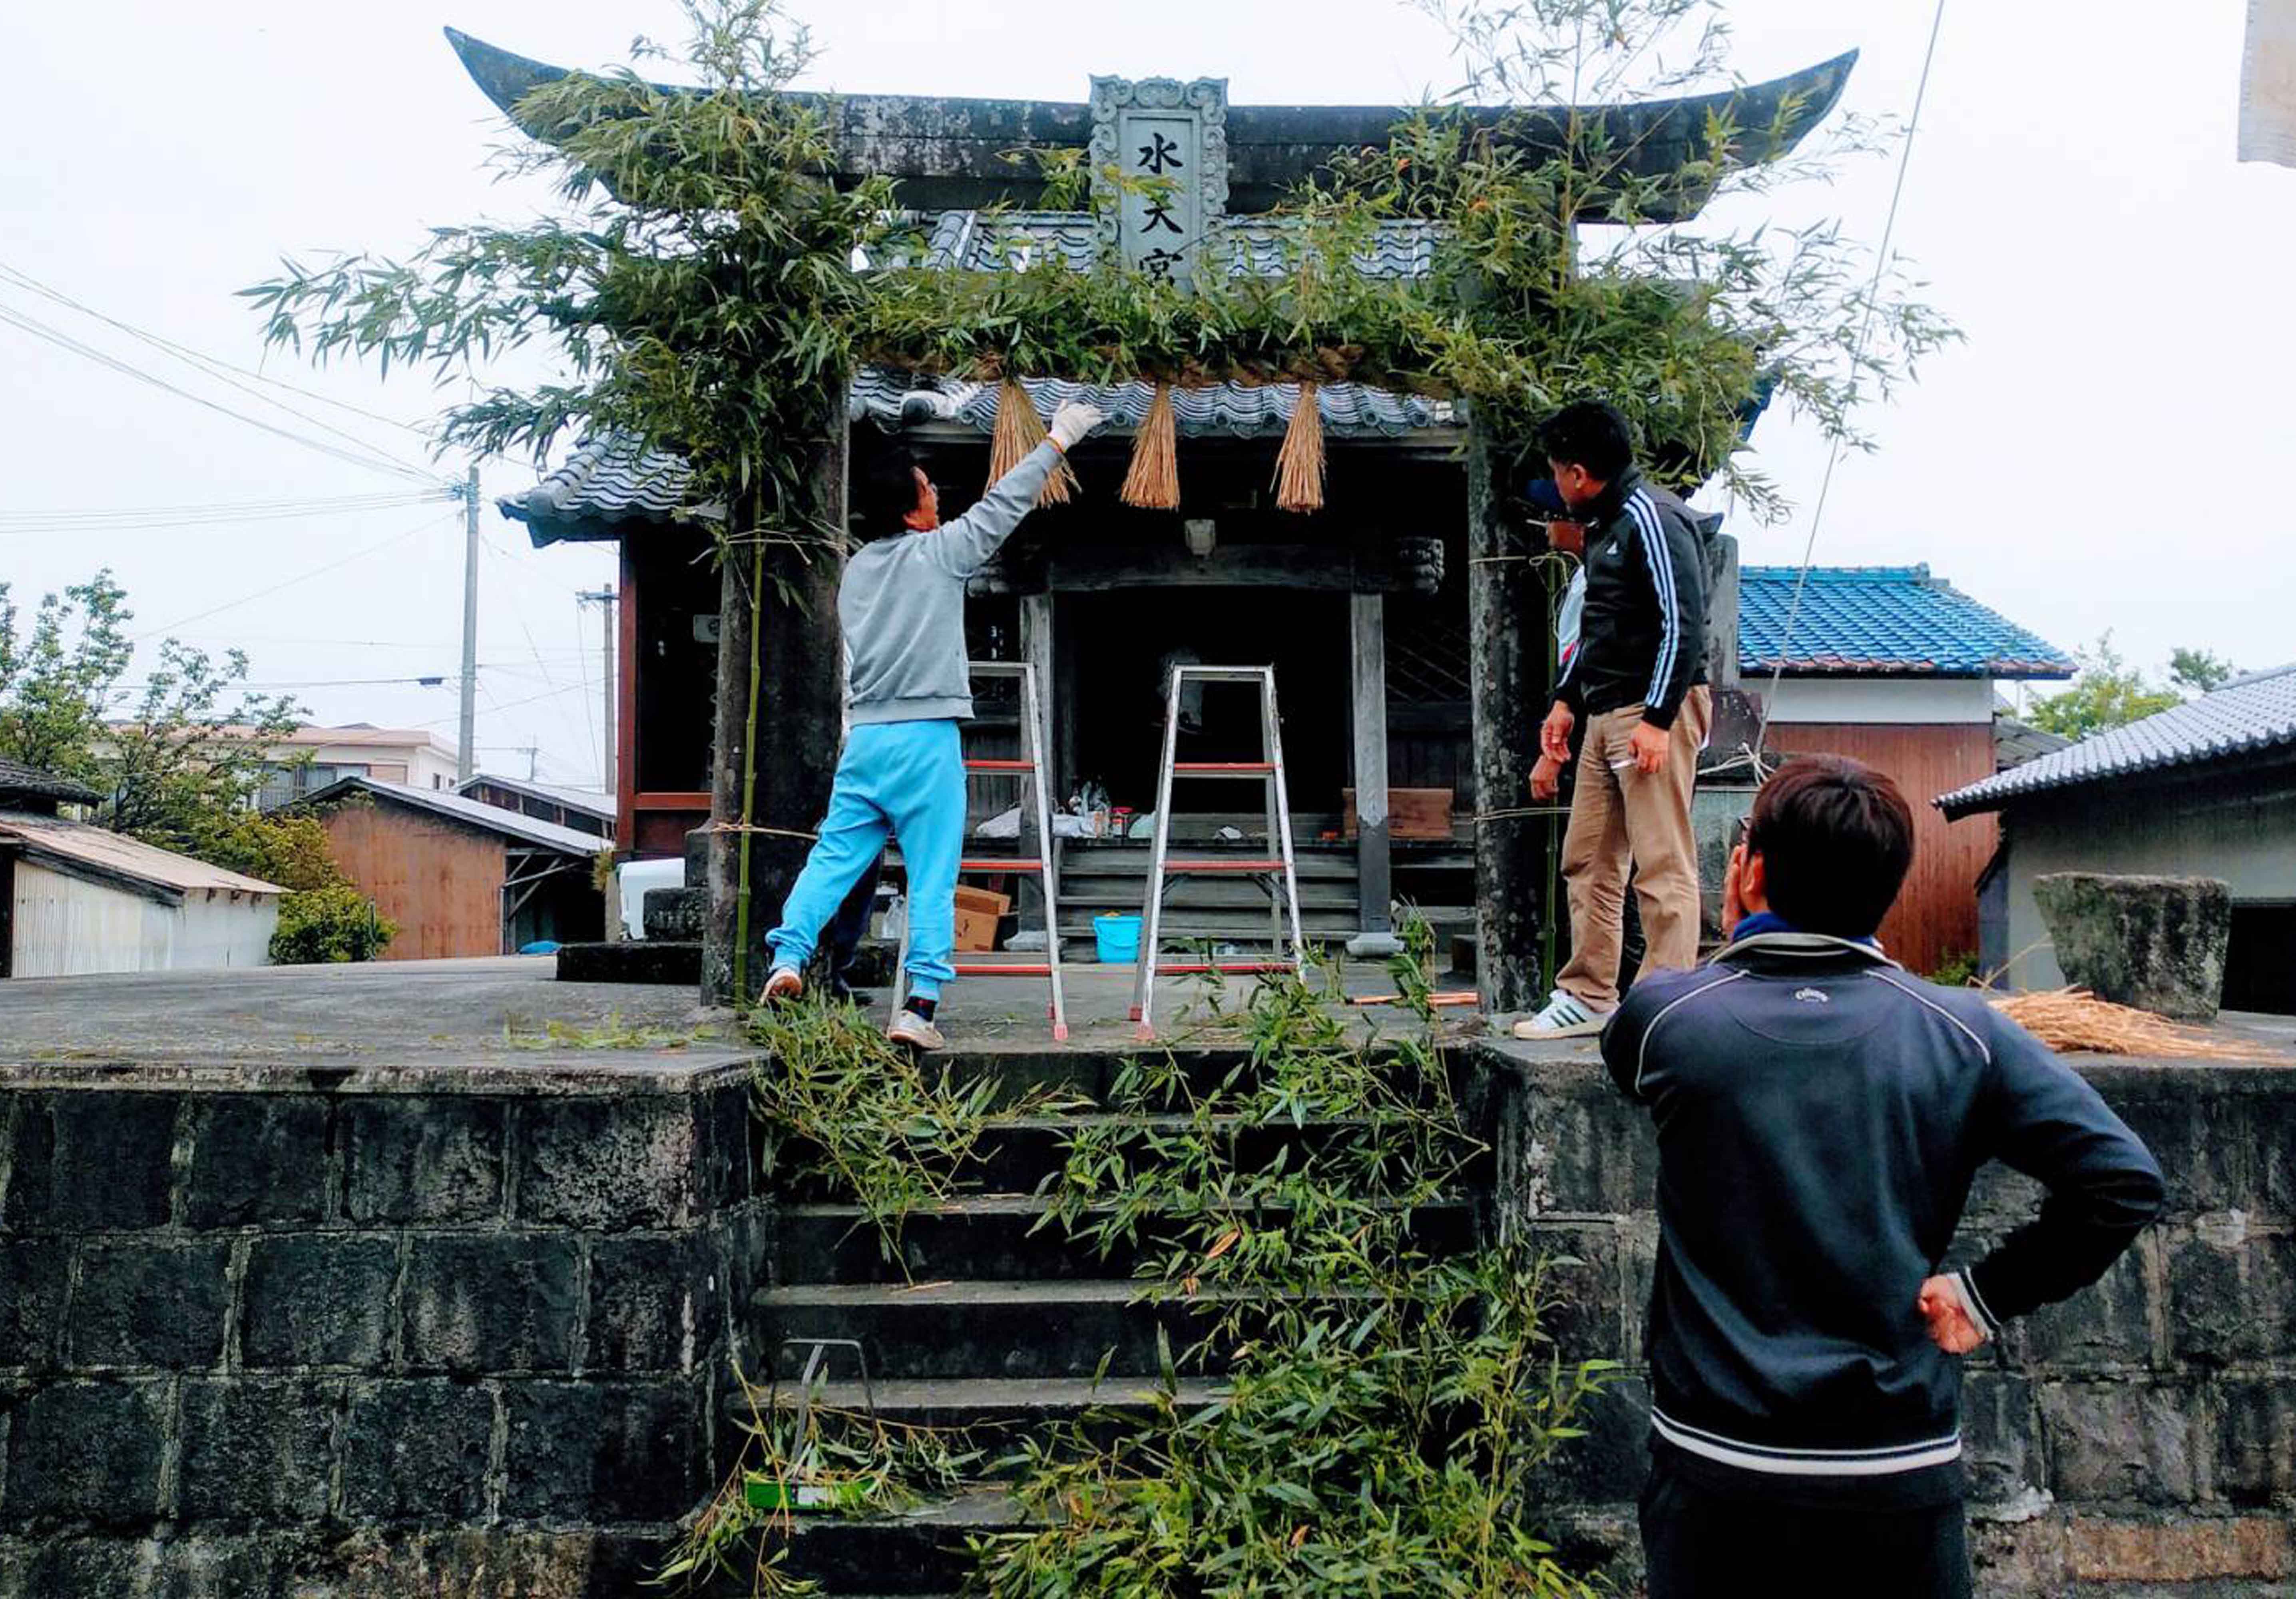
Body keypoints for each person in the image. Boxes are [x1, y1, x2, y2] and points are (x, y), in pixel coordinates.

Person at [1604, 754, 2164, 1598]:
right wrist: (1981, 1293)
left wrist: (1736, 927)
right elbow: (2120, 1179)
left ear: (1750, 869)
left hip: (1715, 1464)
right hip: (1894, 1467)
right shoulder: (1961, 1028)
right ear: (1889, 887)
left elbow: (1659, 1045)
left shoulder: (1664, 1019)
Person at [763, 398, 1106, 1048]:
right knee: (931, 876)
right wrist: (1059, 439)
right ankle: (917, 1009)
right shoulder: (942, 553)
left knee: (834, 860)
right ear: (908, 507)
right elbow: (1005, 503)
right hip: (926, 740)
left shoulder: (855, 571)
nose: (937, 493)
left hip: (865, 740)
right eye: (927, 487)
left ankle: (787, 959)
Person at [1517, 399, 1714, 1039]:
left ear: (1577, 472)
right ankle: (1589, 994)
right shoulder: (1604, 528)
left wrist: (1658, 718)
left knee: (1660, 861)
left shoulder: (1651, 517)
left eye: (1557, 471)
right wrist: (1565, 703)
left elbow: (1683, 625)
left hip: (1647, 710)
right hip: (1605, 709)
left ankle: (1664, 1002)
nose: (1559, 485)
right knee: (1590, 857)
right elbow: (1600, 632)